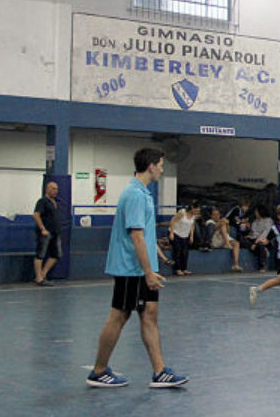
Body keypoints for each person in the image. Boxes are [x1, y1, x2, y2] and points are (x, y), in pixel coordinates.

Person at [86, 148, 188, 388]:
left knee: (149, 313)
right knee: (119, 316)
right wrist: (148, 272)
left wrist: (152, 266)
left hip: (143, 268)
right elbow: (136, 236)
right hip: (131, 269)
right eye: (160, 165)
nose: (162, 169)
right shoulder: (134, 194)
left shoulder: (143, 193)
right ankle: (99, 371)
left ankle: (160, 372)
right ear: (151, 166)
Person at [31, 181, 61, 286]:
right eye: (53, 188)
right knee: (40, 254)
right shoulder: (42, 201)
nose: (55, 191)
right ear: (47, 189)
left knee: (56, 255)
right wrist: (42, 228)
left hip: (55, 232)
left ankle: (43, 274)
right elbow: (36, 215)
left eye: (56, 189)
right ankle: (38, 278)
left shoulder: (55, 202)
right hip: (44, 232)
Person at [167, 203, 198, 276]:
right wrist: (171, 233)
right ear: (192, 207)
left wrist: (191, 236)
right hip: (175, 233)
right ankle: (177, 269)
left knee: (185, 252)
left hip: (185, 235)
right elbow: (173, 220)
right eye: (196, 210)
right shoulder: (182, 212)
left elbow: (192, 225)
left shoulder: (194, 216)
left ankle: (184, 269)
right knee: (177, 250)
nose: (197, 212)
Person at [246, 205, 274, 272]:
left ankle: (262, 266)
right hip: (254, 239)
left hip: (265, 240)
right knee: (244, 240)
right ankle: (264, 250)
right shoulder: (255, 222)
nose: (255, 213)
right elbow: (253, 233)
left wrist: (256, 242)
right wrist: (249, 234)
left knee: (260, 245)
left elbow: (265, 233)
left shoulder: (268, 220)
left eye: (256, 212)